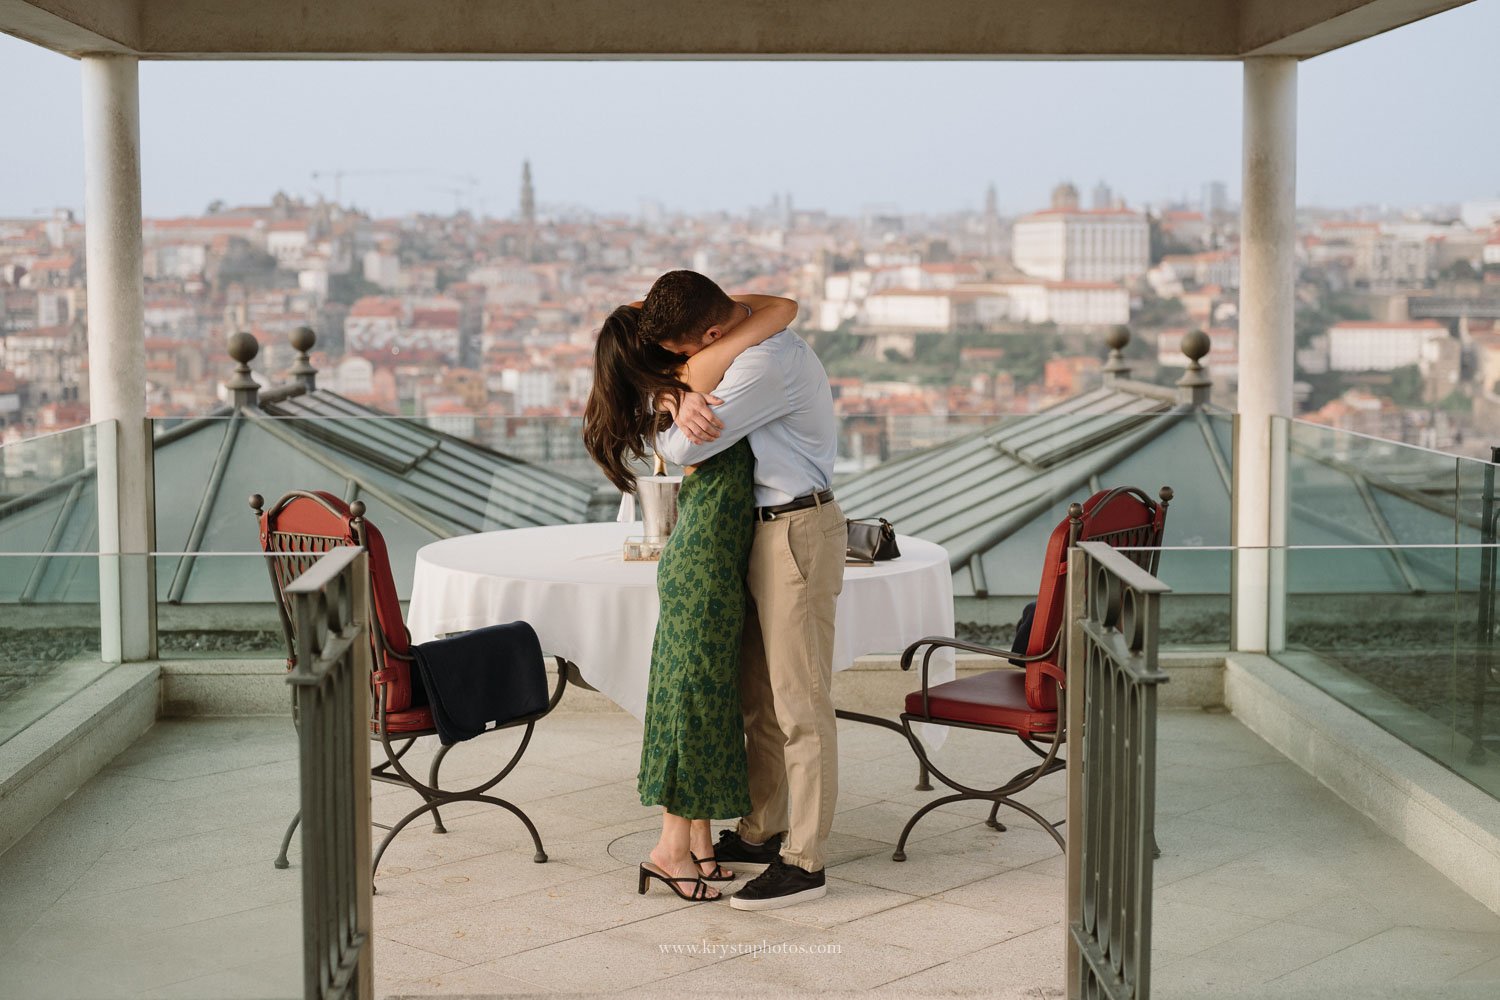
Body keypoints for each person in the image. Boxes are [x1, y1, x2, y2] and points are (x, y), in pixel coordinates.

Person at [582, 289, 798, 903]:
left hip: (708, 560)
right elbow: (782, 308)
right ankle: (669, 851)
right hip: (704, 562)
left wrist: (677, 380)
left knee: (702, 696)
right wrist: (717, 320)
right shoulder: (700, 370)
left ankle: (698, 844)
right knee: (696, 704)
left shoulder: (683, 383)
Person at [646, 270, 844, 911]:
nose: (687, 364)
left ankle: (804, 859)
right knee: (759, 697)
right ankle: (763, 830)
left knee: (801, 704)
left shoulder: (764, 365)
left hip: (794, 530)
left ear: (709, 333)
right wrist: (681, 393)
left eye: (686, 351)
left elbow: (681, 452)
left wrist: (679, 405)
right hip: (761, 532)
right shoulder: (749, 342)